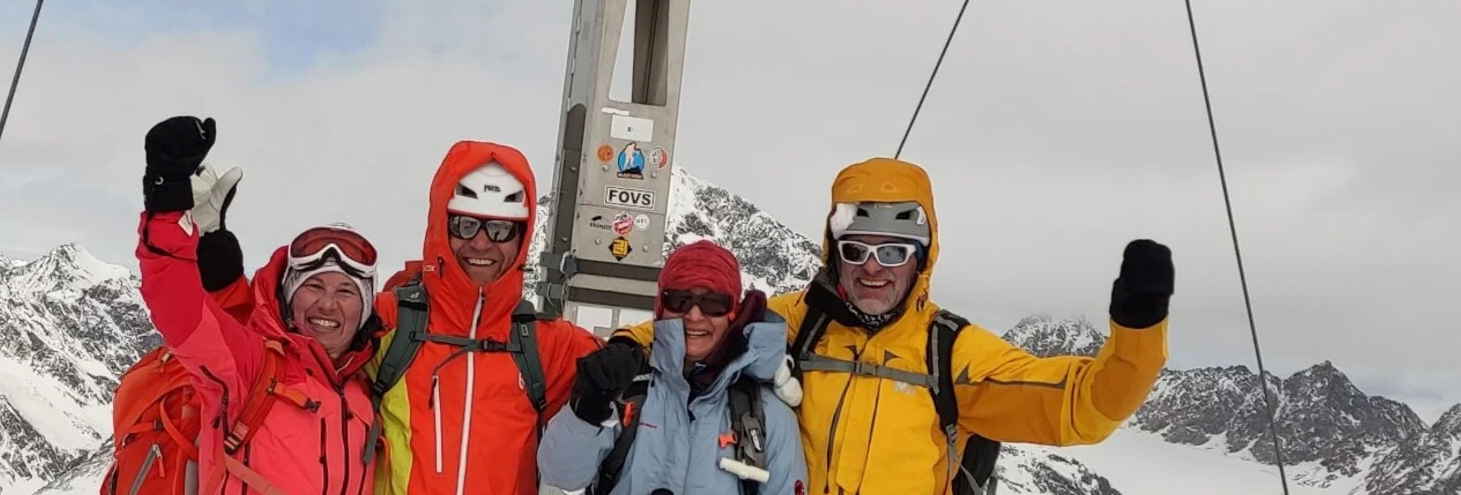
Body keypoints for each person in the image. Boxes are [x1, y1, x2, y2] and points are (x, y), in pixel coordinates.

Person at [608, 157, 1174, 494]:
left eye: (895, 251)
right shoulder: (795, 322)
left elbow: (1083, 407)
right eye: (856, 251)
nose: (873, 269)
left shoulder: (949, 353)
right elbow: (699, 330)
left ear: (922, 257)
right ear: (835, 253)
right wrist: (626, 349)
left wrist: (1138, 331)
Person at [131, 115, 381, 495]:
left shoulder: (367, 388)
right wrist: (167, 208)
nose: (328, 305)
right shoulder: (250, 367)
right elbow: (180, 310)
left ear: (364, 308)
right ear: (289, 296)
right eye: (313, 286)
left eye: (347, 292)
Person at [364, 140, 605, 495]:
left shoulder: (546, 343)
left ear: (521, 238)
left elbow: (661, 349)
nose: (480, 244)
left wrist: (630, 346)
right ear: (441, 229)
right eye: (464, 225)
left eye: (500, 228)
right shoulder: (387, 321)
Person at [538, 240, 808, 495]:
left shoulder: (766, 413)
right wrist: (586, 406)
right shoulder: (626, 388)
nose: (694, 315)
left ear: (732, 313)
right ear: (660, 308)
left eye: (713, 303)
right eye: (679, 299)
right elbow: (561, 473)